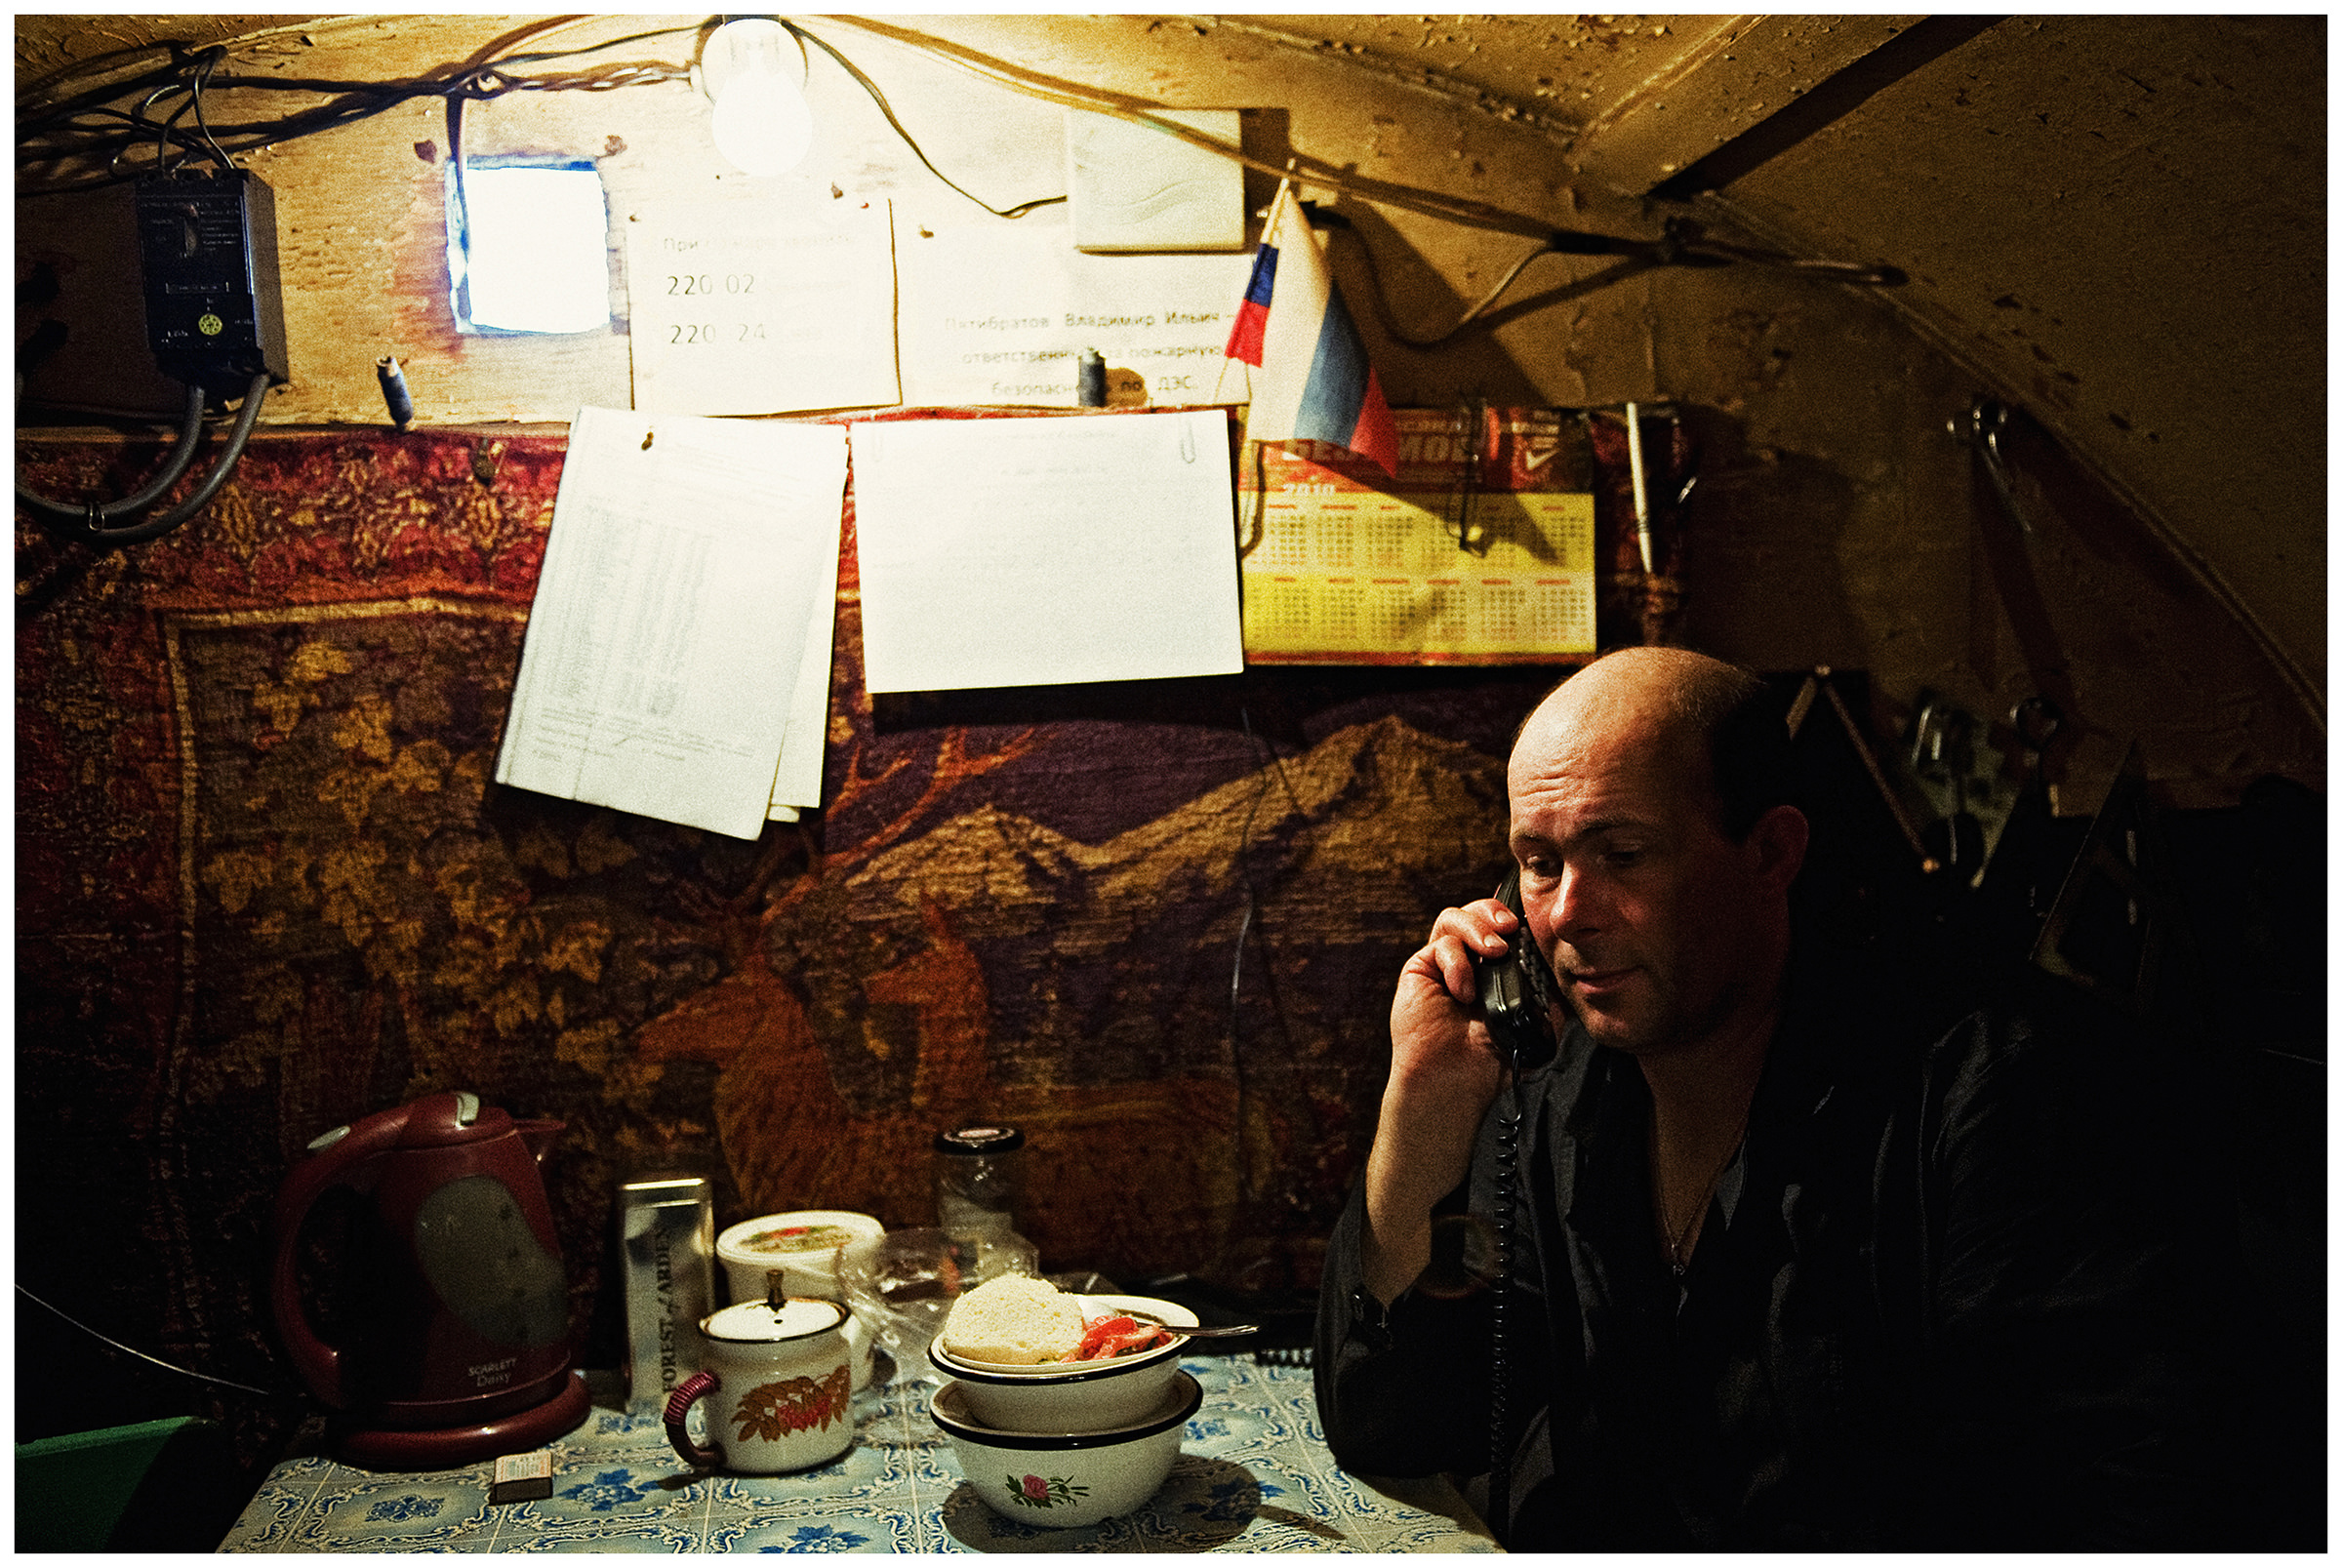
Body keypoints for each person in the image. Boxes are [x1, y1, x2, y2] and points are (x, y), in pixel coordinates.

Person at [1313, 646, 2218, 1550]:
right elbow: (1393, 1423)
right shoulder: (1559, 1098)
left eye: (1622, 853)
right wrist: (1422, 1107)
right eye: (1540, 864)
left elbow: (2120, 1499)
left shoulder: (1990, 1097)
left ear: (1771, 852)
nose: (1565, 914)